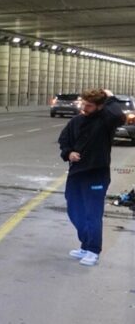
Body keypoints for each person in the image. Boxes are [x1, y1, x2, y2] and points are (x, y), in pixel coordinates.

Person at [57, 88, 124, 267]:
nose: (84, 108)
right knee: (74, 210)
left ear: (100, 106)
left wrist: (111, 98)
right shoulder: (76, 121)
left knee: (92, 213)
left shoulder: (106, 121)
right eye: (83, 104)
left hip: (96, 174)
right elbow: (64, 140)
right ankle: (85, 244)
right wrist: (68, 153)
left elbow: (119, 116)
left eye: (89, 106)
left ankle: (93, 250)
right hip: (76, 173)